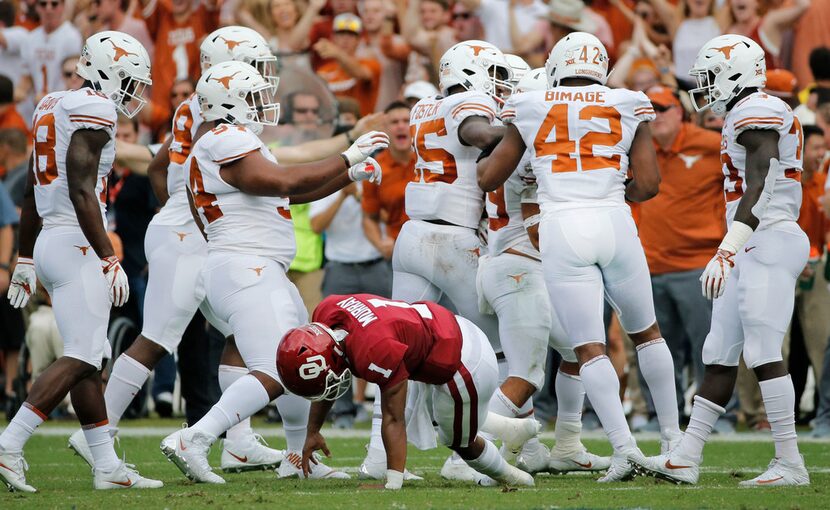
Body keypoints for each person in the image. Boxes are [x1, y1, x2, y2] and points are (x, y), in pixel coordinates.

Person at [160, 59, 389, 484]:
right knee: (277, 367)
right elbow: (281, 181)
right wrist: (346, 153)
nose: (263, 104)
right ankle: (195, 438)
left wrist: (347, 173)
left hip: (253, 265)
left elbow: (288, 194)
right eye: (253, 96)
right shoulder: (223, 137)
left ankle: (298, 456)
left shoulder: (230, 141)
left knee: (299, 360)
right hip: (247, 265)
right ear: (229, 102)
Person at [478, 32, 681, 482]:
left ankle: (625, 449)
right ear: (602, 68)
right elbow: (648, 185)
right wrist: (605, 190)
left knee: (589, 348)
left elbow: (490, 175)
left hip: (562, 224)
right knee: (647, 334)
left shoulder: (530, 104)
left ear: (554, 65)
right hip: (614, 219)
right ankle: (673, 443)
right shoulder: (629, 100)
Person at [633, 34, 810, 487]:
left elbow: (763, 184)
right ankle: (685, 457)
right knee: (719, 352)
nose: (705, 86)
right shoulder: (741, 113)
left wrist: (728, 247)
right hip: (751, 238)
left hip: (767, 235)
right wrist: (732, 247)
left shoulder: (757, 110)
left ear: (735, 71)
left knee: (762, 349)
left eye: (711, 76)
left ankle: (790, 462)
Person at [0, 30, 160, 493]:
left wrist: (26, 255)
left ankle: (106, 465)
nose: (133, 93)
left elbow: (34, 185)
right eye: (129, 80)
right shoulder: (96, 108)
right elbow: (80, 187)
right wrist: (109, 256)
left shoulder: (51, 103)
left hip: (51, 239)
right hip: (77, 243)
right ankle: (11, 442)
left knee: (89, 356)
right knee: (85, 354)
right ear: (107, 72)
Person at [359, 40, 511, 485]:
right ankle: (472, 455)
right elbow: (478, 134)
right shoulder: (470, 100)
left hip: (413, 235)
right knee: (502, 348)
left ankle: (375, 455)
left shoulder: (426, 104)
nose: (499, 86)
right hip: (453, 239)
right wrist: (531, 133)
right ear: (475, 72)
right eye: (495, 74)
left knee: (396, 350)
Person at [478, 66, 610, 475]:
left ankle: (566, 444)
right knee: (527, 375)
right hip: (522, 268)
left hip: (506, 263)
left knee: (578, 350)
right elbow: (538, 229)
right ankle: (463, 453)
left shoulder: (502, 149)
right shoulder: (530, 156)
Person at [277, 293, 538, 490]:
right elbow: (334, 371)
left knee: (458, 440)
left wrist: (393, 483)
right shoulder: (327, 313)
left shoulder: (373, 350)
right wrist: (313, 430)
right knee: (447, 417)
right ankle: (513, 430)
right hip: (449, 327)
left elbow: (393, 418)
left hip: (465, 361)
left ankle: (515, 477)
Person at [636, 85, 726, 428]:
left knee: (711, 347)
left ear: (681, 112)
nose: (654, 115)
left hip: (697, 265)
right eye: (649, 109)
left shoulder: (709, 144)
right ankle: (662, 415)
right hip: (649, 265)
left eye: (662, 107)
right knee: (654, 348)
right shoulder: (637, 146)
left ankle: (715, 417)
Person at [362, 101, 414, 260]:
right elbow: (369, 218)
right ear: (384, 129)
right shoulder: (375, 169)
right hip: (398, 251)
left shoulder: (429, 159)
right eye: (394, 122)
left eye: (406, 121)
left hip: (435, 245)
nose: (401, 126)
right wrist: (381, 245)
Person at [14, 0, 82, 105]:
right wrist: (19, 92)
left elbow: (74, 78)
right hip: (36, 105)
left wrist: (49, 97)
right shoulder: (30, 38)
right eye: (43, 4)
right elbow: (27, 76)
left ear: (63, 6)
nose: (48, 9)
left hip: (63, 102)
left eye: (54, 4)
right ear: (37, 7)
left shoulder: (72, 37)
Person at [315, 13, 381, 117]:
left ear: (359, 40)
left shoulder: (371, 63)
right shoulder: (324, 70)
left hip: (361, 127)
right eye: (341, 34)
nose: (345, 39)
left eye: (351, 34)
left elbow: (361, 73)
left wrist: (338, 53)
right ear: (333, 38)